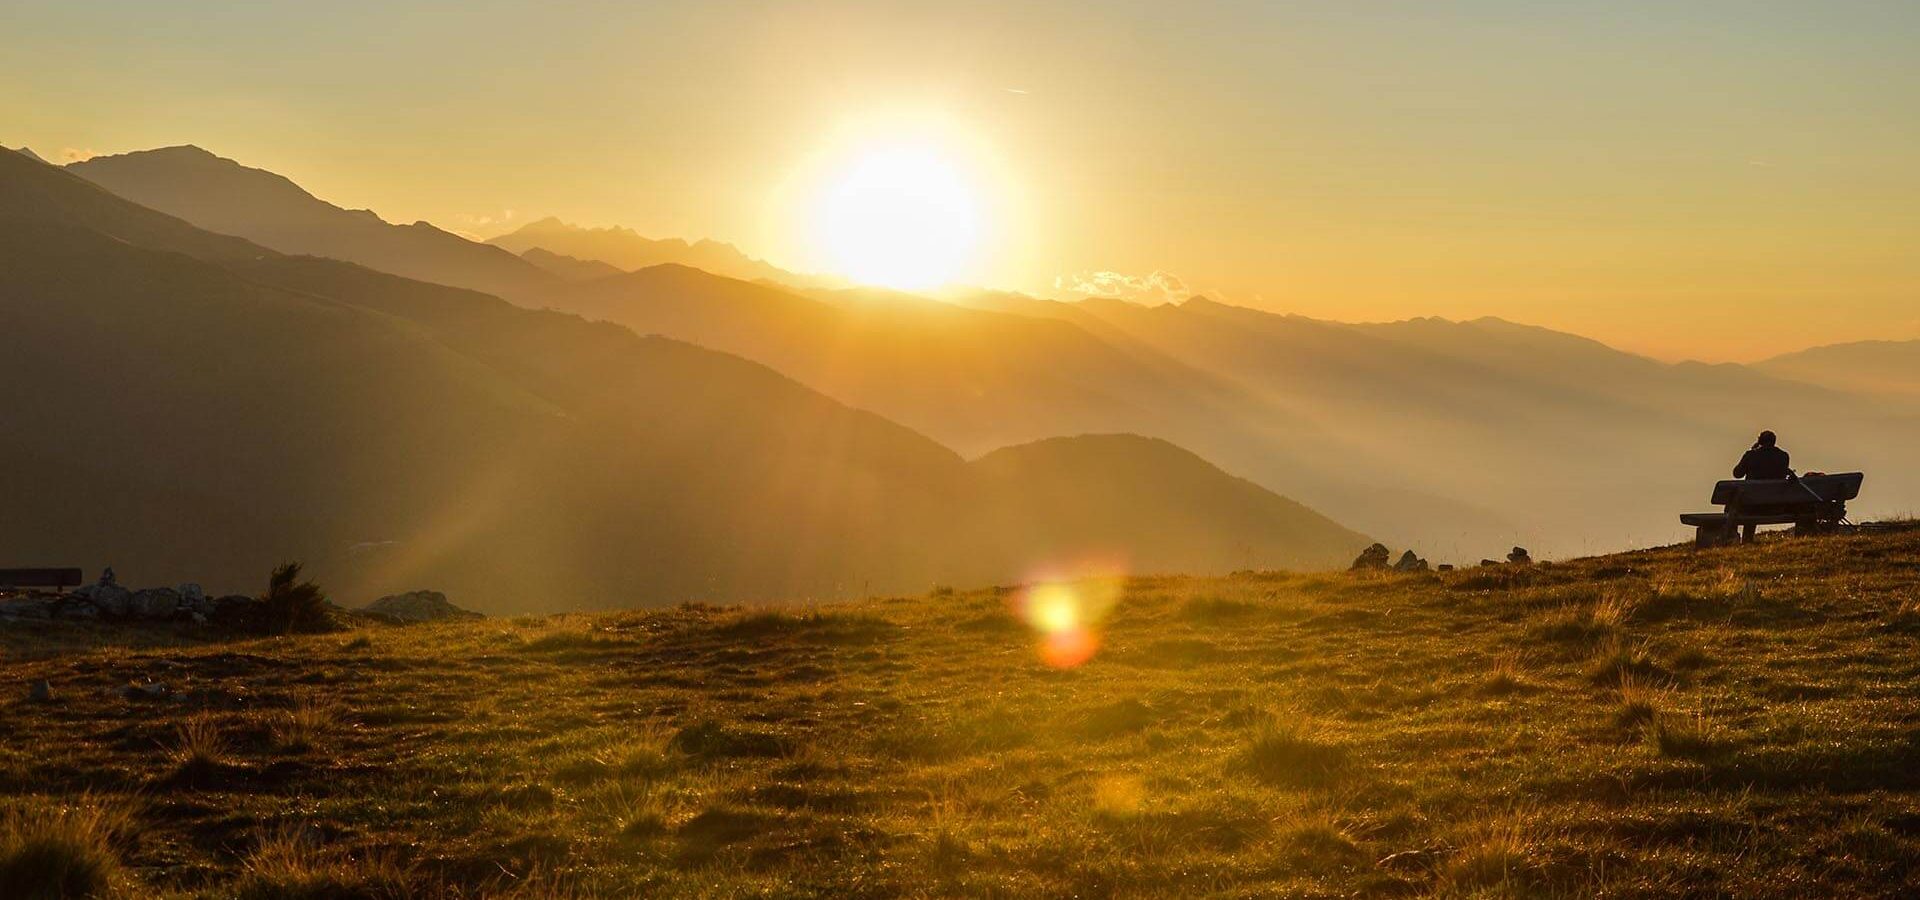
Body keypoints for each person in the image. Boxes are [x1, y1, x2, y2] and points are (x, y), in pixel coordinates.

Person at [1731, 431, 1792, 542]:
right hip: (1776, 507)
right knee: (1751, 501)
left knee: (1733, 506)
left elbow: (1737, 474)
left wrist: (1752, 450)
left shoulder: (1751, 455)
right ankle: (1746, 540)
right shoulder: (1783, 456)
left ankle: (1739, 539)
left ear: (1759, 441)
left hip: (1752, 507)